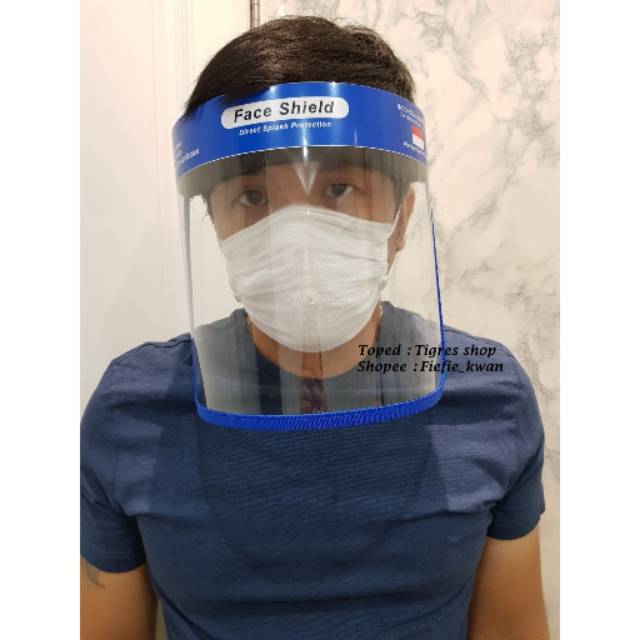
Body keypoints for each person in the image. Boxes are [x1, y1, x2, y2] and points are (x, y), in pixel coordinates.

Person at [81, 16, 549, 640]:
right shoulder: (133, 413)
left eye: (338, 187)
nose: (296, 235)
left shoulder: (487, 393)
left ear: (402, 217)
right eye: (253, 197)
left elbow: (513, 628)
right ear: (215, 221)